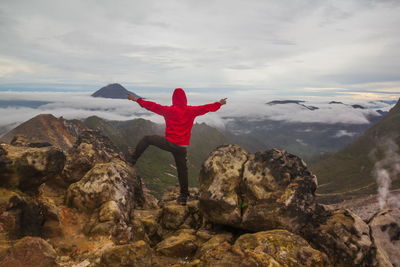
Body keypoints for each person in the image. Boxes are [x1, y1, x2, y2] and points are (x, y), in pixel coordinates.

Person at [127, 88, 227, 205]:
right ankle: (184, 197)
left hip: (169, 143)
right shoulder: (191, 110)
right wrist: (219, 103)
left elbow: (151, 106)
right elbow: (206, 108)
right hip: (181, 147)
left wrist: (136, 99)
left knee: (147, 139)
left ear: (173, 99)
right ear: (185, 99)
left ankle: (132, 160)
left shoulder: (168, 110)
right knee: (182, 171)